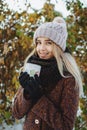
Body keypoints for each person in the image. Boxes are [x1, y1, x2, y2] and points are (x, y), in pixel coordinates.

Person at [12, 16, 83, 130]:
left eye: (48, 43)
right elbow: (17, 113)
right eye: (39, 42)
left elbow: (66, 126)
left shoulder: (68, 79)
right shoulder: (31, 69)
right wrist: (26, 93)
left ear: (58, 46)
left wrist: (39, 98)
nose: (41, 48)